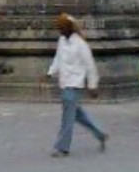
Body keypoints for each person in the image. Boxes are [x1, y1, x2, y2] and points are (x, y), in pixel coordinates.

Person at [46, 13, 107, 158]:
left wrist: (92, 85)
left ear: (69, 28)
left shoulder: (80, 44)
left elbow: (90, 65)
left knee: (67, 117)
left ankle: (62, 147)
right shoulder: (61, 40)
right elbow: (58, 58)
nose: (59, 30)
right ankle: (100, 134)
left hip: (75, 83)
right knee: (77, 114)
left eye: (61, 27)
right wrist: (49, 73)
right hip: (65, 82)